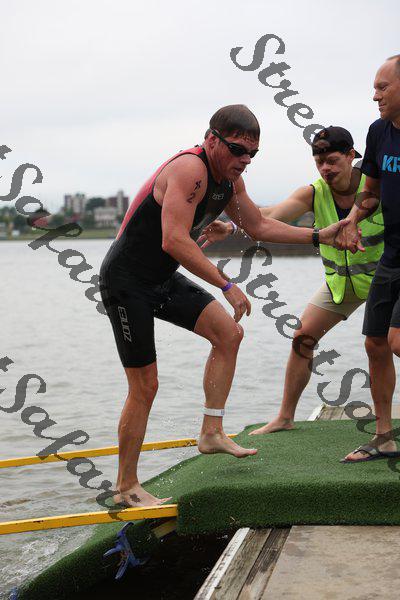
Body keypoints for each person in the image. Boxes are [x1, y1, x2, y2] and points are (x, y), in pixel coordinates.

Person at [99, 104, 347, 507]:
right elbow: (174, 240)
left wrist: (319, 236)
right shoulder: (189, 170)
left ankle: (211, 432)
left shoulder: (231, 182)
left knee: (229, 334)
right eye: (236, 150)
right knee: (145, 385)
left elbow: (258, 225)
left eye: (252, 154)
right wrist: (226, 284)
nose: (244, 160)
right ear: (212, 140)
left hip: (161, 278)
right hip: (126, 282)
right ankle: (126, 485)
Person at [199, 126, 384, 435]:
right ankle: (285, 417)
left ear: (351, 156)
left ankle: (383, 427)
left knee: (386, 344)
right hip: (342, 284)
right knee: (302, 338)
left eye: (333, 161)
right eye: (319, 162)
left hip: (385, 280)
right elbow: (270, 215)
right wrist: (231, 228)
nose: (325, 169)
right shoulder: (314, 192)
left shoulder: (375, 185)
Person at [337, 55, 400, 462]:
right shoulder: (379, 132)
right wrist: (353, 219)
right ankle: (384, 437)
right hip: (393, 253)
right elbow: (371, 191)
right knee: (375, 342)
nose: (375, 95)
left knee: (397, 340)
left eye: (382, 87)